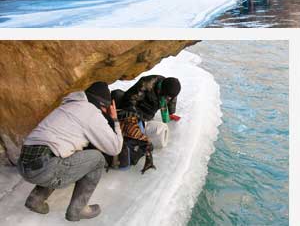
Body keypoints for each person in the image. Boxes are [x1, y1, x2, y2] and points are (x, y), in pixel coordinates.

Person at [17, 82, 123, 221]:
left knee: (64, 153)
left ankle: (35, 199)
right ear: (102, 105)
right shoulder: (91, 113)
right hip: (44, 168)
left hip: (24, 165)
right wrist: (114, 119)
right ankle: (77, 210)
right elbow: (115, 148)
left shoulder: (68, 106)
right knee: (97, 159)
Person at [115, 75, 181, 123]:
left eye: (170, 97)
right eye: (168, 96)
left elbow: (172, 101)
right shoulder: (147, 83)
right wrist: (135, 115)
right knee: (117, 95)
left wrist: (170, 113)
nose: (169, 98)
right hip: (135, 105)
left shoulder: (172, 91)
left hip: (148, 113)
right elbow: (131, 98)